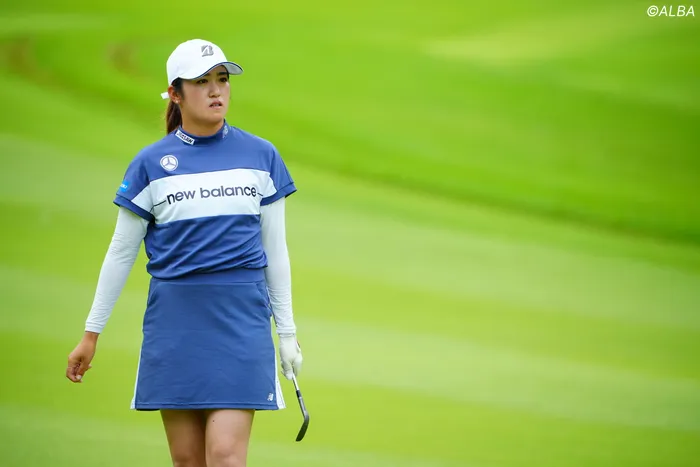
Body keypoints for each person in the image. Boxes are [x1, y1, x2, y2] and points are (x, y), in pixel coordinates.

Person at [65, 39, 303, 467]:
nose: (216, 90)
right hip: (175, 323)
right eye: (201, 81)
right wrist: (91, 333)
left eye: (222, 79)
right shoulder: (151, 164)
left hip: (240, 320)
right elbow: (120, 253)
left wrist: (287, 334)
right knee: (188, 461)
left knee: (226, 457)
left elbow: (276, 251)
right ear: (175, 93)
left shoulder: (261, 156)